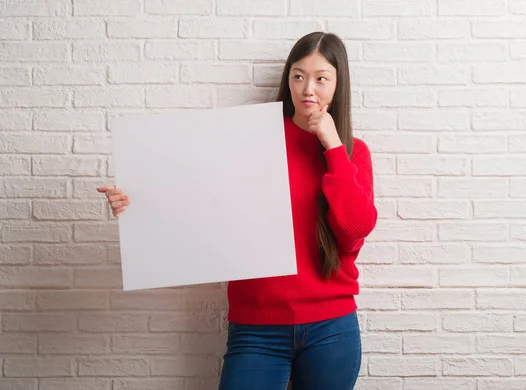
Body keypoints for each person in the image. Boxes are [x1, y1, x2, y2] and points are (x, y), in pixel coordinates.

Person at [98, 31, 377, 390]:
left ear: (338, 85)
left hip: (331, 327)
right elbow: (198, 202)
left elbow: (354, 231)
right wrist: (136, 204)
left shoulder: (353, 151)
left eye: (321, 78)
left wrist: (333, 146)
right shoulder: (251, 140)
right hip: (256, 327)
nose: (308, 88)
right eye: (298, 76)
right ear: (287, 80)